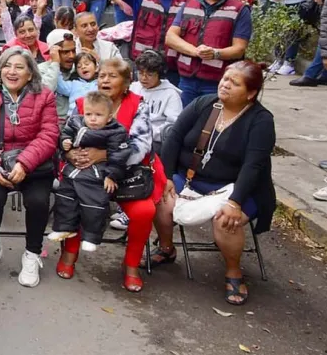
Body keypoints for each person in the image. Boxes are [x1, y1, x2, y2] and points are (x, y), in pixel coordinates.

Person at [155, 62, 276, 305]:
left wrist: (234, 202)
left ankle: (233, 272)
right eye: (225, 78)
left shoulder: (261, 121)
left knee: (226, 219)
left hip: (237, 188)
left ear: (251, 93)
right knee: (160, 198)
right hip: (189, 178)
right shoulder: (205, 103)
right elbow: (174, 137)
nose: (225, 84)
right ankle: (167, 249)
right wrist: (166, 177)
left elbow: (253, 166)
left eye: (235, 82)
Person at [58, 58, 163, 290]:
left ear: (126, 83)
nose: (105, 80)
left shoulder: (139, 104)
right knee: (75, 199)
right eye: (102, 75)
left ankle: (131, 264)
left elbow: (141, 145)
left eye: (112, 76)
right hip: (86, 170)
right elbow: (68, 133)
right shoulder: (84, 102)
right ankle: (70, 254)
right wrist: (71, 155)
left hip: (126, 173)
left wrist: (104, 156)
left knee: (145, 211)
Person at [0, 47, 60, 287]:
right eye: (7, 65)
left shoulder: (45, 96)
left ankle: (32, 253)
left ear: (30, 73)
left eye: (19, 67)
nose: (12, 71)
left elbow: (49, 135)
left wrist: (24, 163)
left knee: (39, 201)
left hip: (34, 165)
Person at [48, 91, 130, 251]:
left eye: (98, 115)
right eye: (88, 114)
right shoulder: (76, 121)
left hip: (97, 175)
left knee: (94, 206)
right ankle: (64, 228)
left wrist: (111, 176)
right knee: (65, 200)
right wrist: (65, 142)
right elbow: (65, 132)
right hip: (73, 172)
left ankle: (91, 237)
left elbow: (119, 155)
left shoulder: (116, 131)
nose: (92, 119)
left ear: (109, 116)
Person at [165, 0, 252, 105]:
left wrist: (215, 54)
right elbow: (170, 37)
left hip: (218, 82)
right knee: (184, 123)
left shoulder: (240, 10)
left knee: (211, 125)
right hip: (186, 80)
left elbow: (239, 49)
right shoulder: (189, 5)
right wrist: (196, 52)